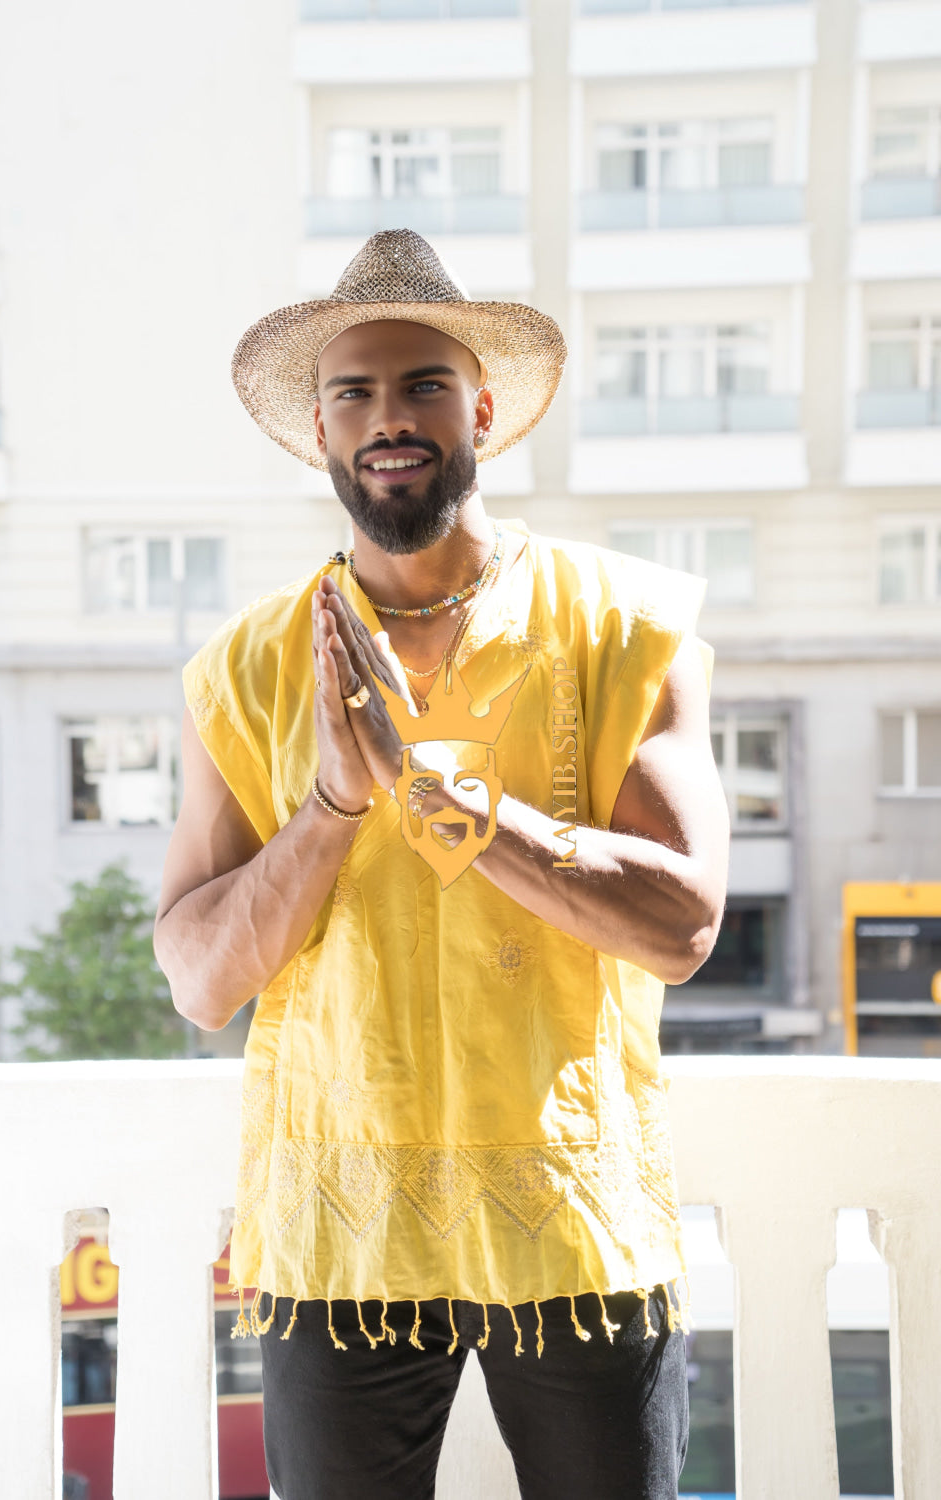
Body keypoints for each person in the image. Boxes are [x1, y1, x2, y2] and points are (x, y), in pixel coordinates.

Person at [154, 229, 730, 1500]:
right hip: (337, 1237)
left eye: (420, 384)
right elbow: (198, 978)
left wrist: (435, 790)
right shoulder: (242, 670)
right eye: (352, 393)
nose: (387, 419)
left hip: (573, 1227)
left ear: (480, 408)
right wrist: (332, 804)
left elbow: (682, 926)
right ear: (317, 429)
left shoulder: (627, 625)